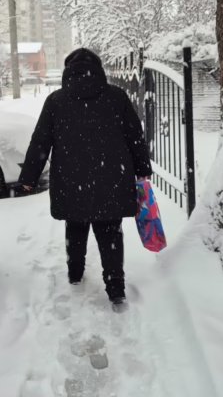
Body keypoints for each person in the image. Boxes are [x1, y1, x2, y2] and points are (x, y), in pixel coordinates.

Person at [19, 48, 152, 309]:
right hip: (112, 179)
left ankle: (75, 273)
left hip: (71, 180)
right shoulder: (117, 97)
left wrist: (28, 177)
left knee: (76, 226)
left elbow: (40, 141)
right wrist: (142, 167)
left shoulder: (56, 101)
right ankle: (116, 287)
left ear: (68, 71)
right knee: (110, 232)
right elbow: (135, 135)